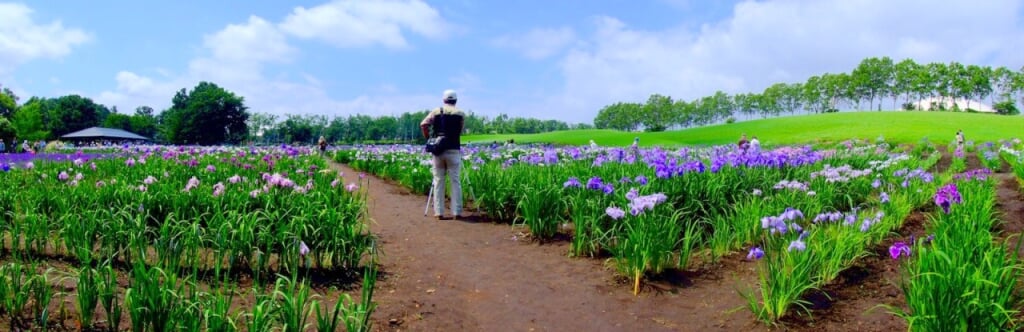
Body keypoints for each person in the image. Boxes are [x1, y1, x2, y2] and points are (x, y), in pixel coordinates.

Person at [421, 89, 466, 221]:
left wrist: (429, 138)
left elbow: (423, 124)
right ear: (455, 100)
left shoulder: (436, 111)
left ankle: (438, 212)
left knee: (438, 181)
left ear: (444, 100)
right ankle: (456, 211)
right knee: (455, 181)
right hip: (453, 149)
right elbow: (460, 131)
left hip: (438, 150)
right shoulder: (461, 113)